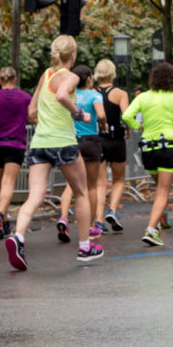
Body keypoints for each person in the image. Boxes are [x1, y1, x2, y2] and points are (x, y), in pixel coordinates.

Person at [5, 36, 103, 270]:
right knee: (81, 192)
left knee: (35, 196)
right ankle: (85, 246)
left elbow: (31, 111)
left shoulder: (45, 75)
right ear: (73, 56)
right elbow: (61, 95)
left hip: (40, 142)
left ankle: (17, 237)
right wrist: (79, 114)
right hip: (64, 142)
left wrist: (43, 118)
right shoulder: (71, 77)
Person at [122, 62, 173, 246]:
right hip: (168, 147)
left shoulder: (143, 97)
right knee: (163, 192)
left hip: (148, 149)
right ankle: (151, 230)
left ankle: (158, 222)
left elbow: (126, 116)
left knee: (158, 188)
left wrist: (139, 126)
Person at [56, 65, 107, 242]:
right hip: (91, 141)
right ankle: (91, 226)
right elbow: (100, 114)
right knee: (91, 186)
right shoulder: (95, 95)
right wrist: (104, 124)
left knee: (71, 185)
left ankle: (63, 217)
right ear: (90, 78)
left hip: (72, 140)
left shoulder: (71, 96)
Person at [0, 66, 31, 240]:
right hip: (15, 144)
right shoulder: (25, 97)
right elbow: (33, 116)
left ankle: (1, 222)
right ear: (15, 80)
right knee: (8, 183)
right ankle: (1, 216)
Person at [94, 59, 130, 233]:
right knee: (119, 179)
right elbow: (127, 115)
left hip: (97, 140)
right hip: (116, 140)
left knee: (101, 183)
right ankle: (113, 211)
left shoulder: (91, 92)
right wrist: (128, 128)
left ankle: (99, 220)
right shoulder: (120, 94)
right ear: (113, 73)